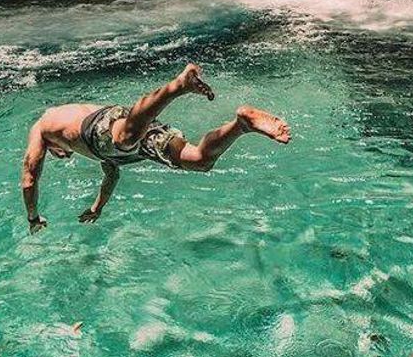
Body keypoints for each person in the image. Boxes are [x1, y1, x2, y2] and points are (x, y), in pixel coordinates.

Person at [20, 63, 291, 231]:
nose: (64, 155)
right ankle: (241, 124)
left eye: (60, 154)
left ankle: (178, 87)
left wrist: (33, 218)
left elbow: (29, 177)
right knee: (199, 160)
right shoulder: (97, 151)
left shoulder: (42, 126)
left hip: (107, 126)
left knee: (123, 138)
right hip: (126, 132)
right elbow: (111, 174)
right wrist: (97, 207)